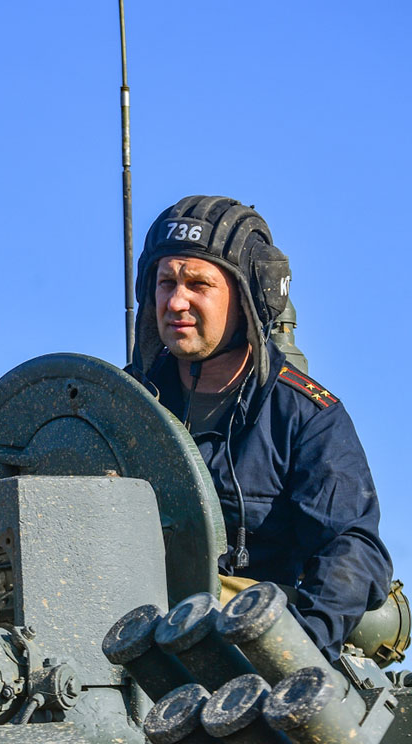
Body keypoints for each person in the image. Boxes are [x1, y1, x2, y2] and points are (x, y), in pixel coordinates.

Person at [126, 195, 391, 662]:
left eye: (198, 284)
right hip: (126, 637)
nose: (176, 301)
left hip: (240, 649)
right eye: (165, 282)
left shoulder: (305, 416)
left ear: (250, 297)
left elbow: (353, 547)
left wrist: (297, 653)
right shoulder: (122, 404)